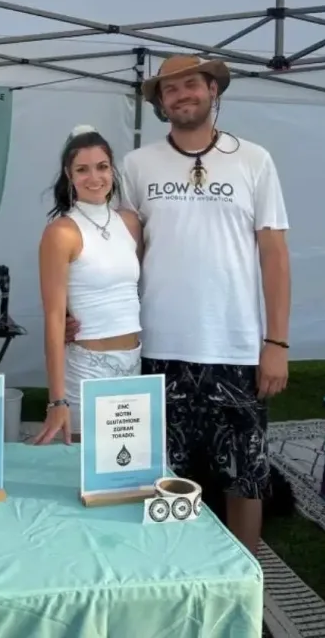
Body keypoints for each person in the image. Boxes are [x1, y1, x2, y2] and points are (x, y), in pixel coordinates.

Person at [64, 55, 291, 556]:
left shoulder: (254, 159)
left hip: (236, 348)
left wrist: (276, 342)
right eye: (170, 90)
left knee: (245, 475)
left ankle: (242, 588)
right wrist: (75, 307)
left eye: (192, 84)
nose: (182, 95)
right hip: (158, 348)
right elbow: (114, 250)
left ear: (213, 90)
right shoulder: (137, 164)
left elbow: (274, 254)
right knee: (161, 473)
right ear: (160, 103)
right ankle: (175, 576)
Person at [32, 125, 143, 446]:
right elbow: (53, 317)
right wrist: (57, 400)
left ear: (112, 170)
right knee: (82, 467)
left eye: (102, 167)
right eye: (83, 169)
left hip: (133, 362)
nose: (94, 177)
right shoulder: (61, 232)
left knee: (125, 466)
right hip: (87, 369)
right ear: (69, 175)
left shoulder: (130, 223)